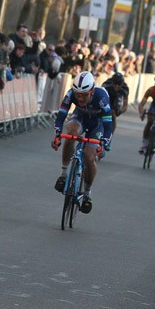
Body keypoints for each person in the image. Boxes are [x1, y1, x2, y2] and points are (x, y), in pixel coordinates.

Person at [51, 71, 113, 214]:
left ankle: (87, 193)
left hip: (97, 124)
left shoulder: (101, 97)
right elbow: (61, 117)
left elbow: (109, 126)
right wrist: (57, 135)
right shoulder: (70, 94)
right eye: (77, 94)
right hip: (80, 118)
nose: (80, 98)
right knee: (70, 134)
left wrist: (102, 143)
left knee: (89, 156)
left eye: (84, 95)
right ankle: (64, 174)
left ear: (91, 92)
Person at [101, 72, 129, 141]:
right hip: (107, 97)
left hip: (116, 100)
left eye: (119, 84)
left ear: (122, 84)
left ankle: (109, 137)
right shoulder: (106, 85)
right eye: (115, 83)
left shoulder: (125, 89)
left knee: (113, 115)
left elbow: (125, 106)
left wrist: (119, 112)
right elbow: (100, 97)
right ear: (112, 82)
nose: (116, 86)